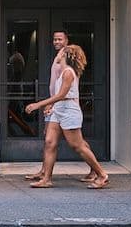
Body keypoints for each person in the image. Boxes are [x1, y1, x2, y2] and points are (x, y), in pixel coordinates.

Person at [24, 44, 109, 189]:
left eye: (60, 53)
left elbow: (61, 95)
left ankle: (102, 174)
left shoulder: (68, 72)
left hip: (69, 111)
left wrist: (38, 104)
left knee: (78, 145)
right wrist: (51, 106)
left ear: (65, 56)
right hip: (59, 110)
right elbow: (59, 97)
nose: (57, 55)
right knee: (50, 142)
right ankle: (46, 179)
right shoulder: (63, 72)